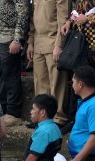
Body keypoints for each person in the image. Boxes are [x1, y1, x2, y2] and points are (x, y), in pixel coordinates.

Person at [0, 0, 29, 127]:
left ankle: (13, 113)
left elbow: (23, 13)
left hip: (8, 37)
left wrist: (17, 39)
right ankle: (0, 109)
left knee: (10, 76)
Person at [26, 0, 69, 128]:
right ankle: (41, 117)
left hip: (53, 40)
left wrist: (59, 44)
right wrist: (30, 42)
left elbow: (63, 19)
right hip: (38, 41)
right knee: (40, 83)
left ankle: (59, 117)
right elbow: (33, 21)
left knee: (56, 83)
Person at [61, 0, 95, 107]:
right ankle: (76, 119)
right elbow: (77, 11)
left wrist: (88, 18)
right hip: (80, 47)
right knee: (78, 83)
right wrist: (69, 22)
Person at [68, 65, 95, 161]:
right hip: (82, 159)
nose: (72, 85)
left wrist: (77, 160)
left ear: (80, 84)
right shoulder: (86, 102)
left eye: (73, 82)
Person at [24, 94, 62, 161]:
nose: (31, 112)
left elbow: (31, 160)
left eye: (33, 109)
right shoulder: (55, 127)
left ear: (42, 112)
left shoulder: (43, 132)